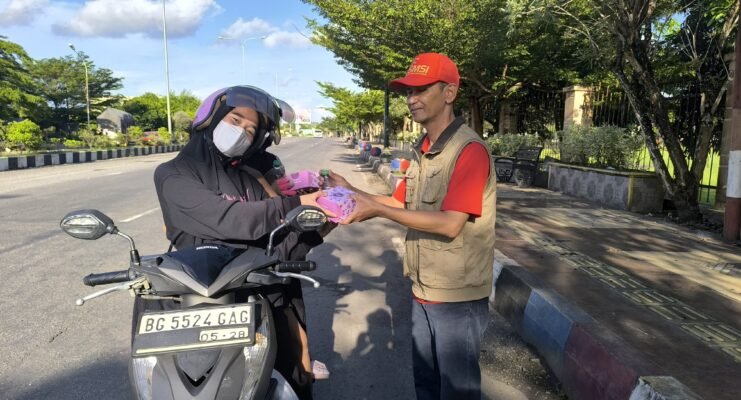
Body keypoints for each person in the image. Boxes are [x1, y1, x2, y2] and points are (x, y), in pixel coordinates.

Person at [330, 53, 496, 400]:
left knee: (456, 390)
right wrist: (351, 192)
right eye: (408, 91)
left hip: (456, 296)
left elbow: (450, 224)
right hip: (423, 289)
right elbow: (398, 203)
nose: (411, 99)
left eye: (421, 89)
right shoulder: (421, 151)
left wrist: (376, 208)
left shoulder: (468, 150)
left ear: (449, 93)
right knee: (426, 384)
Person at [153, 85, 331, 399]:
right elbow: (231, 219)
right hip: (203, 296)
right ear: (211, 118)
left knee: (294, 365)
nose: (241, 132)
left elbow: (275, 238)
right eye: (236, 120)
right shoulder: (174, 173)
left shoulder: (248, 173)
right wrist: (296, 205)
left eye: (250, 129)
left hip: (260, 288)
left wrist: (321, 222)